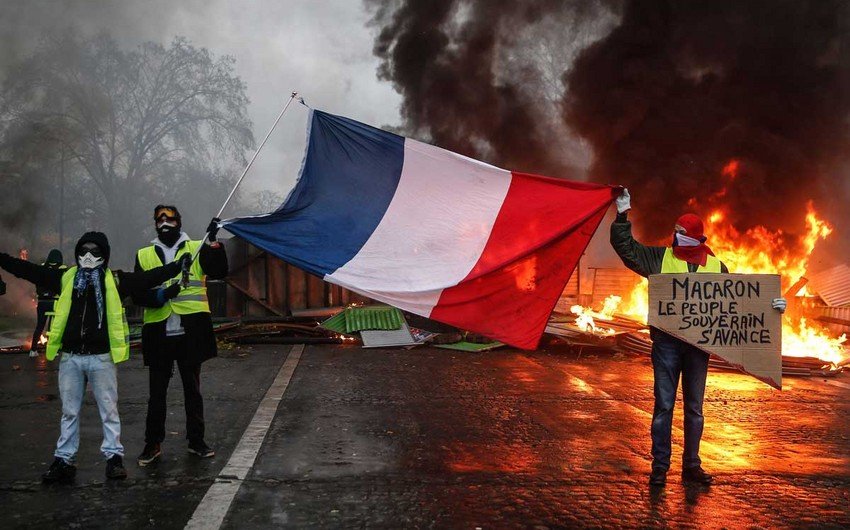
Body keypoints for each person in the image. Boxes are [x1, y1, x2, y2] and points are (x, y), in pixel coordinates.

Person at [610, 189, 786, 487]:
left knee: (694, 408)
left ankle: (691, 466)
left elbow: (739, 304)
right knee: (664, 405)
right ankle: (660, 467)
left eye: (681, 233)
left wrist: (771, 308)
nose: (676, 237)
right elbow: (628, 249)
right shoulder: (659, 258)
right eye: (675, 232)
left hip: (698, 347)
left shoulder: (717, 267)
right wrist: (622, 216)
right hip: (666, 344)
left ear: (696, 236)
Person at [0, 232, 188, 483]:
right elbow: (28, 270)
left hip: (101, 358)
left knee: (109, 411)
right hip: (71, 357)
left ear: (104, 255)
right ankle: (64, 459)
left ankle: (114, 459)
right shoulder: (66, 278)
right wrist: (3, 259)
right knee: (69, 412)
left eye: (95, 252)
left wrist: (176, 266)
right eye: (83, 251)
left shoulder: (115, 281)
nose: (88, 257)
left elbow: (147, 278)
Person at [134, 206, 227, 466]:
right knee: (157, 393)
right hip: (158, 331)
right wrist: (162, 295)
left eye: (170, 218)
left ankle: (196, 441)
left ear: (178, 221)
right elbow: (138, 293)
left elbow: (219, 271)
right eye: (160, 219)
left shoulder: (197, 247)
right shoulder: (144, 254)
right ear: (154, 224)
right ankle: (152, 443)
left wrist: (213, 242)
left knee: (192, 390)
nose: (165, 222)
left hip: (190, 331)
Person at [29, 249, 66, 357]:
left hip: (41, 302)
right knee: (54, 327)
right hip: (54, 302)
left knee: (39, 326)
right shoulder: (62, 270)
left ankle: (33, 350)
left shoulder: (41, 269)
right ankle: (52, 350)